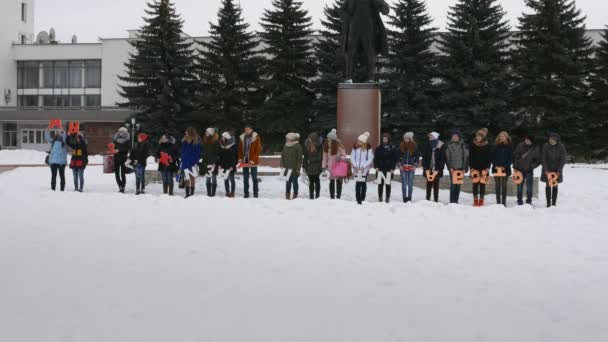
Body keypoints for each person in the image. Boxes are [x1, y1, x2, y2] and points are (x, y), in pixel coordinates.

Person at [513, 134, 541, 205]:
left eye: (528, 140)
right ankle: (519, 200)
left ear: (531, 141)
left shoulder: (535, 148)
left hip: (529, 170)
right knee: (519, 186)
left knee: (529, 187)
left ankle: (529, 201)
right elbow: (516, 157)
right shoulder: (520, 146)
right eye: (526, 139)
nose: (527, 141)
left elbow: (538, 160)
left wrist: (531, 166)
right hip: (519, 170)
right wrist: (515, 167)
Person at [541, 132, 567, 208]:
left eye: (552, 139)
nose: (550, 140)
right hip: (547, 170)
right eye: (550, 138)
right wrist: (545, 169)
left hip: (556, 170)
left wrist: (559, 170)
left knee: (555, 185)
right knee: (548, 185)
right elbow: (543, 158)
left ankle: (554, 203)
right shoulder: (545, 146)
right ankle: (548, 202)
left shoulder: (561, 147)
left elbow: (563, 159)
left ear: (556, 140)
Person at [238, 124, 263, 198]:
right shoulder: (242, 138)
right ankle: (246, 193)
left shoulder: (256, 138)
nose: (247, 131)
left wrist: (253, 160)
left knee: (254, 178)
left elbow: (258, 150)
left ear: (252, 130)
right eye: (245, 129)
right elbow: (239, 149)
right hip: (244, 160)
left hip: (253, 161)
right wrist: (240, 158)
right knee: (245, 178)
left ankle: (255, 193)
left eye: (248, 129)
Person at [445, 131, 469, 204]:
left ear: (459, 137)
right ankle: (452, 201)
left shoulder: (463, 145)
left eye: (456, 136)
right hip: (453, 168)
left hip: (460, 168)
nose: (455, 137)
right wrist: (450, 167)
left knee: (458, 185)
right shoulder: (449, 145)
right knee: (453, 185)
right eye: (453, 136)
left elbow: (466, 157)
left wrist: (465, 168)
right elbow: (447, 157)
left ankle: (456, 200)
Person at [469, 128, 491, 206]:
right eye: (477, 136)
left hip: (484, 167)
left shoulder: (487, 145)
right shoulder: (472, 144)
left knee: (482, 184)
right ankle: (475, 199)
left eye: (479, 136)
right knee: (475, 184)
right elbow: (470, 156)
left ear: (483, 137)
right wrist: (471, 167)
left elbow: (489, 157)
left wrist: (488, 167)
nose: (478, 137)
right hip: (474, 167)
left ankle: (481, 199)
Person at [421, 132, 445, 202]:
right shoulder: (427, 144)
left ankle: (436, 199)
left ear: (435, 137)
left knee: (436, 184)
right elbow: (424, 156)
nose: (430, 137)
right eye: (429, 136)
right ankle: (428, 198)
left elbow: (443, 157)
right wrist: (424, 165)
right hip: (429, 167)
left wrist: (440, 166)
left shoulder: (440, 145)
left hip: (437, 168)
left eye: (431, 136)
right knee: (429, 183)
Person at [323, 129, 347, 199]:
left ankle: (338, 196)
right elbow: (324, 157)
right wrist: (324, 166)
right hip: (330, 167)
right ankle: (332, 196)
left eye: (329, 139)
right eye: (328, 138)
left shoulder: (339, 146)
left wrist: (341, 159)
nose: (328, 140)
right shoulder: (326, 146)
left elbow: (344, 155)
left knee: (339, 182)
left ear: (333, 140)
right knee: (331, 182)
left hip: (338, 167)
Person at [374, 133, 398, 203]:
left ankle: (387, 197)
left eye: (386, 139)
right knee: (380, 184)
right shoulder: (378, 148)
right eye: (383, 139)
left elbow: (394, 159)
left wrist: (392, 169)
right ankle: (380, 197)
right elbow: (375, 158)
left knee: (388, 184)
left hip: (388, 169)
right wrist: (376, 167)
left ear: (388, 140)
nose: (384, 140)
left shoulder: (392, 148)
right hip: (380, 168)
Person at [351, 132, 374, 205]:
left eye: (360, 141)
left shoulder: (368, 147)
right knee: (358, 183)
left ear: (363, 142)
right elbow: (352, 157)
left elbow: (370, 158)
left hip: (364, 169)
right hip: (357, 169)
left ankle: (362, 198)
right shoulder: (355, 147)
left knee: (363, 183)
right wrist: (355, 165)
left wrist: (364, 166)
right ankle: (358, 199)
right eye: (358, 140)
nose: (358, 142)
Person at [491, 131, 514, 207]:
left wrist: (505, 166)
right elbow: (492, 157)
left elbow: (511, 158)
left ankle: (503, 203)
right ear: (499, 137)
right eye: (501, 136)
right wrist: (496, 165)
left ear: (506, 137)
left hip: (505, 169)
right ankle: (498, 202)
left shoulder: (510, 146)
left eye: (503, 136)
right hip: (496, 168)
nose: (502, 138)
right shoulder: (495, 146)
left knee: (504, 186)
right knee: (497, 186)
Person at [397, 132, 419, 203]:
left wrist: (415, 165)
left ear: (410, 139)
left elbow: (417, 157)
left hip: (411, 167)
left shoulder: (414, 145)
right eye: (405, 138)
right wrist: (399, 165)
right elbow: (398, 157)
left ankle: (409, 197)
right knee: (404, 184)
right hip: (403, 167)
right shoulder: (401, 145)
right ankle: (404, 198)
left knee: (410, 184)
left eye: (407, 138)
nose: (406, 139)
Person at [181, 127, 202, 198]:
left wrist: (194, 161)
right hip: (185, 162)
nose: (185, 133)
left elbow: (198, 153)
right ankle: (187, 193)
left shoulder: (196, 141)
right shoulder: (184, 141)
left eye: (186, 132)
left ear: (190, 132)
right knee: (187, 178)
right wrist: (183, 160)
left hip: (193, 163)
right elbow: (183, 151)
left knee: (192, 178)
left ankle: (192, 194)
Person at [280, 133, 303, 200]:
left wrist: (298, 168)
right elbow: (282, 156)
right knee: (287, 182)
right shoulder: (285, 145)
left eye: (287, 138)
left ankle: (295, 194)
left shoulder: (298, 146)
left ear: (291, 139)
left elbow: (299, 159)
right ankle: (287, 194)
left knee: (295, 182)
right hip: (287, 168)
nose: (286, 139)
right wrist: (282, 164)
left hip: (294, 168)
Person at [303, 132, 323, 199]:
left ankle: (317, 196)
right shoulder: (307, 145)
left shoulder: (319, 146)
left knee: (317, 182)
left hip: (317, 167)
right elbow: (305, 157)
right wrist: (304, 166)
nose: (309, 139)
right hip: (309, 167)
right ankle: (311, 196)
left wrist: (311, 160)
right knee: (311, 182)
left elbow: (320, 157)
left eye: (310, 138)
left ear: (314, 139)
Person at [218, 132, 238, 198]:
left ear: (227, 138)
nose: (222, 138)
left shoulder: (233, 145)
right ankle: (227, 192)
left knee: (232, 179)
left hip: (231, 165)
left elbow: (235, 157)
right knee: (226, 179)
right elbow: (221, 156)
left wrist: (232, 166)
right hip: (224, 165)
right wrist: (220, 164)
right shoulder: (222, 145)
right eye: (222, 137)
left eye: (223, 137)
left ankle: (232, 192)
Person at [201, 128, 220, 197]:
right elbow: (203, 152)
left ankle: (213, 193)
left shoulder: (216, 141)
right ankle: (209, 193)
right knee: (208, 177)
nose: (206, 133)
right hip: (206, 161)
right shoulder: (205, 141)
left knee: (214, 177)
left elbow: (217, 153)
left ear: (211, 133)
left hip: (214, 162)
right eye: (206, 131)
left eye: (207, 132)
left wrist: (215, 162)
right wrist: (203, 160)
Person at [113, 127, 131, 193]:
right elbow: (113, 147)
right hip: (116, 158)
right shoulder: (115, 139)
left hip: (123, 158)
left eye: (123, 131)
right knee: (116, 173)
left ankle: (123, 187)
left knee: (123, 173)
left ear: (125, 132)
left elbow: (127, 148)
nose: (121, 133)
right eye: (120, 131)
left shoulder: (127, 140)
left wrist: (119, 150)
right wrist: (112, 150)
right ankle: (120, 185)